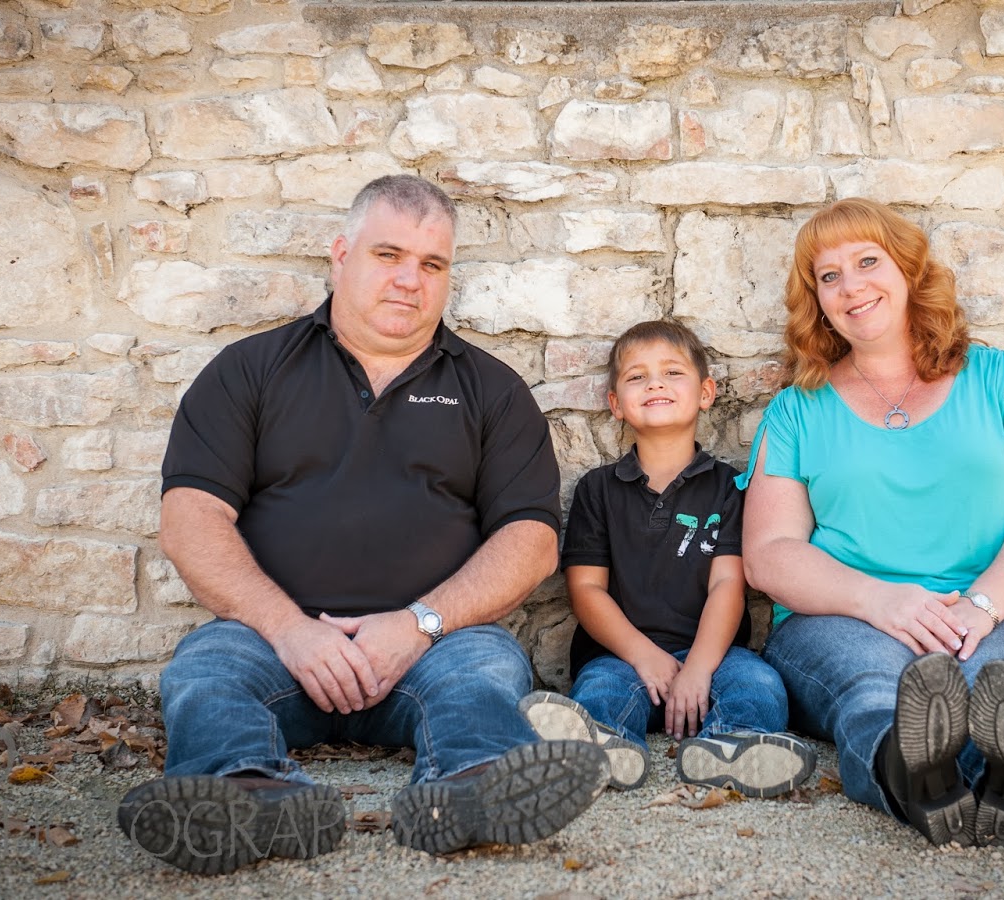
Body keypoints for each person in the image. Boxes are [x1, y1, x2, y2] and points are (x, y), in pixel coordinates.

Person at [116, 175, 606, 875]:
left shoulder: (491, 391)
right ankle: (248, 795)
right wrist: (291, 630)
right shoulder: (250, 372)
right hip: (272, 640)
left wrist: (417, 625)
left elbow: (529, 542)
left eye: (432, 265)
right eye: (388, 255)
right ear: (340, 255)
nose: (410, 280)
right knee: (205, 671)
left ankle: (468, 791)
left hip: (435, 646)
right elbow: (191, 518)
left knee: (490, 671)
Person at [739, 198, 1004, 847]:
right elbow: (769, 552)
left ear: (908, 271)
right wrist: (879, 600)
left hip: (1000, 606)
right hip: (841, 618)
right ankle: (917, 782)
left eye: (867, 262)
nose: (851, 286)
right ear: (816, 300)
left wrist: (981, 608)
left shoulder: (1002, 379)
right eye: (829, 276)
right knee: (881, 694)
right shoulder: (797, 412)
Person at [519, 321, 816, 798]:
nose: (654, 383)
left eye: (672, 372)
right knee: (599, 693)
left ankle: (730, 749)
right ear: (615, 404)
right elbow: (586, 590)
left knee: (759, 685)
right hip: (621, 656)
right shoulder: (598, 489)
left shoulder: (729, 487)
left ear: (705, 393)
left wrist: (698, 667)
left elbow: (727, 586)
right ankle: (601, 751)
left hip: (715, 656)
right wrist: (645, 656)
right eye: (636, 377)